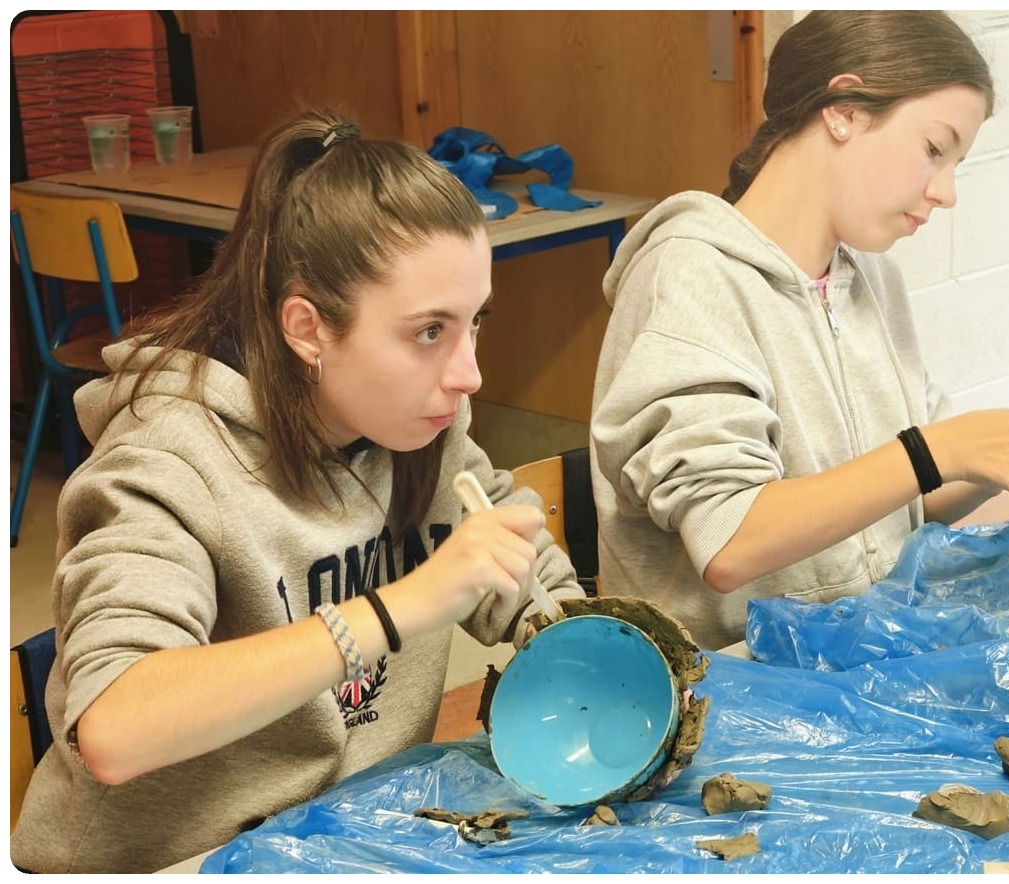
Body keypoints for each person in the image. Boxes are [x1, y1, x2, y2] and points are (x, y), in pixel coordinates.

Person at [10, 109, 585, 874]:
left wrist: (587, 637)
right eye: (427, 332)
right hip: (175, 860)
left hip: (344, 843)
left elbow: (524, 574)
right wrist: (403, 604)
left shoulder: (419, 422)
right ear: (308, 329)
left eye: (474, 323)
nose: (467, 372)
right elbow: (115, 726)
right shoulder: (168, 458)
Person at [589, 11, 1009, 651]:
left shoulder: (869, 280)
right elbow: (728, 540)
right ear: (842, 110)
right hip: (731, 692)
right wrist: (937, 448)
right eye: (934, 149)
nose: (947, 192)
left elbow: (901, 500)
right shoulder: (689, 275)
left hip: (854, 658)